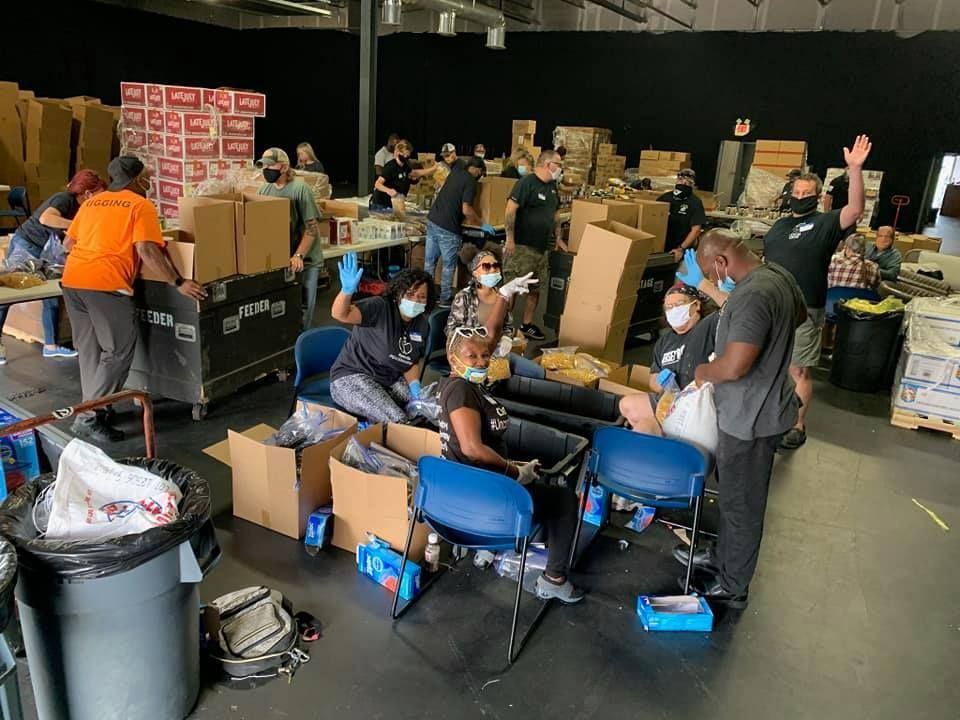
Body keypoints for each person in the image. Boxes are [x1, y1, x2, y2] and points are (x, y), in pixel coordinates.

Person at [673, 229, 806, 608]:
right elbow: (795, 316)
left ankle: (733, 584)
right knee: (733, 494)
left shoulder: (752, 295)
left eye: (712, 274)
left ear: (721, 262)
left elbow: (734, 366)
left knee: (741, 503)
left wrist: (702, 372)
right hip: (764, 403)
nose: (714, 282)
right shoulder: (777, 276)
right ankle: (724, 556)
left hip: (750, 416)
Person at [61, 156, 206, 442]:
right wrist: (178, 281)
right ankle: (89, 416)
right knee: (117, 352)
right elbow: (147, 250)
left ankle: (93, 407)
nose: (149, 182)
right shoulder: (140, 205)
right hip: (105, 285)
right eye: (146, 177)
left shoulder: (91, 202)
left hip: (73, 280)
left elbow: (68, 243)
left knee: (90, 352)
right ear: (137, 179)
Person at [437, 326, 583, 603]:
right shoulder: (460, 390)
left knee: (541, 488)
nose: (481, 362)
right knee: (563, 500)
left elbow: (472, 445)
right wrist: (514, 471)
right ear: (452, 357)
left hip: (462, 492)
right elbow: (471, 448)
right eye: (472, 356)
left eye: (485, 356)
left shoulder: (464, 387)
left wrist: (513, 464)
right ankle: (554, 579)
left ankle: (487, 547)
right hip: (486, 497)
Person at [762, 134, 872, 450]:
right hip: (771, 306)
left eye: (807, 192)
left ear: (817, 195)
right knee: (769, 366)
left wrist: (854, 170)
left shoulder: (825, 223)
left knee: (798, 369)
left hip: (804, 308)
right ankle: (770, 416)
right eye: (797, 192)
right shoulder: (779, 227)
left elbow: (855, 208)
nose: (801, 196)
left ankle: (796, 425)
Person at [0, 170, 107, 364]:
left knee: (52, 295)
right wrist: (78, 226)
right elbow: (46, 219)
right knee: (9, 295)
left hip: (47, 251)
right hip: (28, 244)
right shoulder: (64, 198)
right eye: (99, 193)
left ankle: (51, 346)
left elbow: (68, 240)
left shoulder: (84, 208)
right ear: (87, 192)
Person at [329, 254, 435, 423]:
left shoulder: (422, 324)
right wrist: (346, 291)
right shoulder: (380, 307)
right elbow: (341, 314)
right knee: (398, 420)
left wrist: (415, 389)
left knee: (426, 411)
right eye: (410, 294)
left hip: (388, 379)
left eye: (421, 297)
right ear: (397, 293)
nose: (416, 300)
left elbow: (411, 361)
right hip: (351, 376)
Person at [619, 284, 720, 435]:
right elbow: (653, 379)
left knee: (646, 427)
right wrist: (663, 382)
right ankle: (664, 434)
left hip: (698, 401)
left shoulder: (708, 326)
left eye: (678, 305)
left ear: (696, 305)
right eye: (669, 307)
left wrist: (705, 285)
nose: (673, 310)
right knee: (626, 405)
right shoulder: (664, 342)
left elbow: (734, 308)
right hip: (671, 398)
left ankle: (666, 435)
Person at [446, 249, 543, 379]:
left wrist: (506, 338)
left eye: (496, 266)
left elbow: (508, 324)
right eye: (486, 266)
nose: (492, 270)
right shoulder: (464, 297)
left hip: (498, 354)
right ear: (475, 272)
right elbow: (452, 332)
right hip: (474, 357)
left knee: (536, 373)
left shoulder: (501, 295)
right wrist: (479, 344)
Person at [256, 148, 324, 329]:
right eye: (264, 166)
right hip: (280, 260)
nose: (266, 169)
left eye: (271, 165)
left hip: (305, 260)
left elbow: (311, 229)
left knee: (303, 310)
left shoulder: (300, 189)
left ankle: (303, 347)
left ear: (284, 167)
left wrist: (299, 255)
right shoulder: (264, 190)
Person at [503, 149, 564, 341]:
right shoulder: (526, 183)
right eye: (559, 164)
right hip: (521, 247)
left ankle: (527, 324)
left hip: (542, 248)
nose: (560, 169)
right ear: (548, 164)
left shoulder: (553, 187)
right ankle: (504, 323)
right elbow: (510, 211)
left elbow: (555, 214)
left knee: (535, 289)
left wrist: (558, 237)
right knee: (512, 288)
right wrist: (510, 239)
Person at [425, 157, 491, 306]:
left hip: (433, 220)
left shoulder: (455, 173)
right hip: (448, 227)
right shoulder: (470, 182)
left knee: (430, 262)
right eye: (481, 172)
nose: (480, 176)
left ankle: (426, 296)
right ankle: (444, 298)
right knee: (449, 265)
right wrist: (481, 224)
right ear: (477, 169)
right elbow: (466, 209)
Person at [371, 140, 437, 212]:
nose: (406, 156)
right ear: (398, 152)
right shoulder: (390, 167)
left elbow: (415, 173)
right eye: (404, 154)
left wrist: (433, 169)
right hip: (381, 203)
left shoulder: (405, 165)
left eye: (408, 155)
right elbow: (377, 184)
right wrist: (388, 190)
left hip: (393, 203)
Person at [658, 168, 707, 262]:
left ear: (692, 185)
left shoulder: (695, 202)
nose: (682, 184)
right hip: (661, 247)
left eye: (686, 183)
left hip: (681, 249)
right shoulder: (664, 198)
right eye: (680, 180)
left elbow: (696, 230)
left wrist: (681, 249)